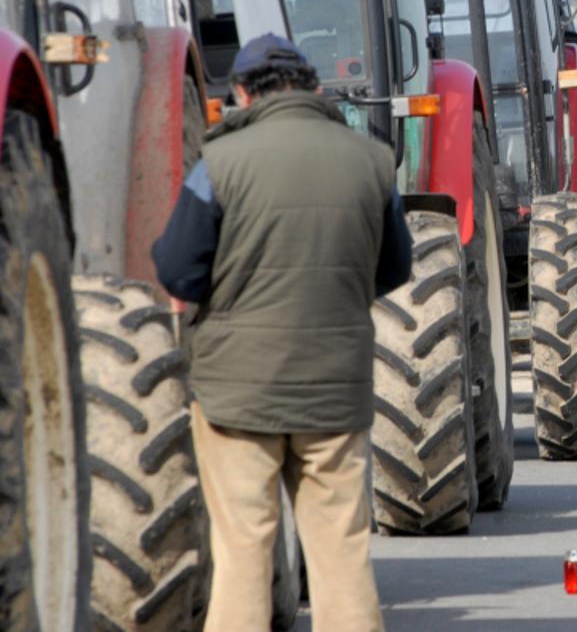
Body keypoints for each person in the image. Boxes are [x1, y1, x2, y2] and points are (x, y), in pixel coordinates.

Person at [151, 34, 412, 631]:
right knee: (341, 554)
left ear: (242, 94)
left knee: (243, 551)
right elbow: (395, 267)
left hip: (236, 397)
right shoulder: (371, 161)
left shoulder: (218, 164)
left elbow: (178, 271)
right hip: (335, 395)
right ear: (314, 88)